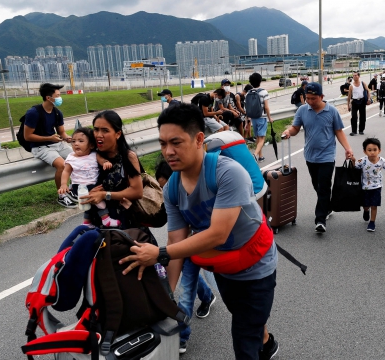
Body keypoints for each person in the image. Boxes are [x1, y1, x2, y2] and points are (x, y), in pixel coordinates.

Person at [120, 103, 279, 360]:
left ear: (198, 139)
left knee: (243, 338)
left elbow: (218, 234)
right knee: (245, 316)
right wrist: (168, 298)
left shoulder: (228, 173)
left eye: (176, 142)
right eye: (162, 144)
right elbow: (176, 240)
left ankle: (258, 342)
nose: (168, 152)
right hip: (224, 265)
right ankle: (267, 342)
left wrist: (157, 253)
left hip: (255, 264)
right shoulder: (172, 189)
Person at [154, 159, 217, 355]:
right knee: (187, 285)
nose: (166, 190)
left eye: (166, 184)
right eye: (162, 186)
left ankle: (182, 335)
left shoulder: (199, 186)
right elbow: (175, 236)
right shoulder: (171, 193)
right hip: (187, 246)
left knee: (186, 288)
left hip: (208, 242)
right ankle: (205, 301)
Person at [282, 82, 354, 233]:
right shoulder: (302, 110)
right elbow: (296, 128)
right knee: (317, 185)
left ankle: (320, 220)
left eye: (313, 98)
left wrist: (348, 149)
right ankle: (326, 207)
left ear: (322, 96)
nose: (310, 101)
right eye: (307, 98)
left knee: (324, 186)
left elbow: (339, 131)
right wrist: (289, 132)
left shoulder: (331, 111)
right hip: (310, 155)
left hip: (327, 156)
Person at [79, 110, 144, 228]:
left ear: (118, 134)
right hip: (96, 223)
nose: (98, 135)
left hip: (123, 224)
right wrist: (87, 193)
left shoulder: (128, 157)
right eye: (96, 129)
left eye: (105, 130)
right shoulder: (91, 157)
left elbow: (137, 191)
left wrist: (105, 195)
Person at [23, 83, 76, 208]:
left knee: (76, 159)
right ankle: (62, 196)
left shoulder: (57, 112)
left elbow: (61, 132)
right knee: (62, 165)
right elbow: (27, 136)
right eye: (57, 95)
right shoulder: (33, 113)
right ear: (48, 98)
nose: (60, 98)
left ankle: (73, 189)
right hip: (40, 147)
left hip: (55, 143)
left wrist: (68, 138)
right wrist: (49, 138)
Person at [58, 127, 120, 228]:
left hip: (92, 184)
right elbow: (66, 171)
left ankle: (87, 222)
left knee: (88, 204)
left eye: (80, 141)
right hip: (79, 186)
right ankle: (106, 219)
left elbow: (101, 160)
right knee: (99, 202)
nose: (76, 144)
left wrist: (105, 163)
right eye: (73, 141)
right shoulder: (71, 158)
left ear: (91, 145)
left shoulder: (94, 154)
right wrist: (63, 184)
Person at [351, 138, 385, 232]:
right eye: (369, 150)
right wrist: (353, 160)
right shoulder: (362, 161)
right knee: (366, 204)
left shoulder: (382, 161)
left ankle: (372, 222)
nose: (372, 152)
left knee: (374, 205)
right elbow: (354, 169)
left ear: (379, 150)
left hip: (377, 187)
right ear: (365, 151)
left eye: (375, 150)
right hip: (364, 187)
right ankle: (366, 210)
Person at [248, 72, 273, 163]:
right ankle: (255, 155)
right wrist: (270, 118)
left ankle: (261, 156)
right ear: (260, 81)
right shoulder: (263, 92)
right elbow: (266, 107)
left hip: (253, 118)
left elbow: (247, 107)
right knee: (262, 138)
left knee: (258, 137)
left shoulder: (249, 92)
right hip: (262, 117)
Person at [347, 72, 371, 136]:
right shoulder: (351, 86)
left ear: (359, 76)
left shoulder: (363, 83)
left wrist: (369, 99)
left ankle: (361, 130)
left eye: (356, 75)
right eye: (353, 76)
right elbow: (349, 96)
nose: (355, 77)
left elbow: (368, 91)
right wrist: (348, 105)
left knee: (362, 116)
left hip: (362, 101)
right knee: (354, 116)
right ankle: (354, 131)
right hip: (354, 102)